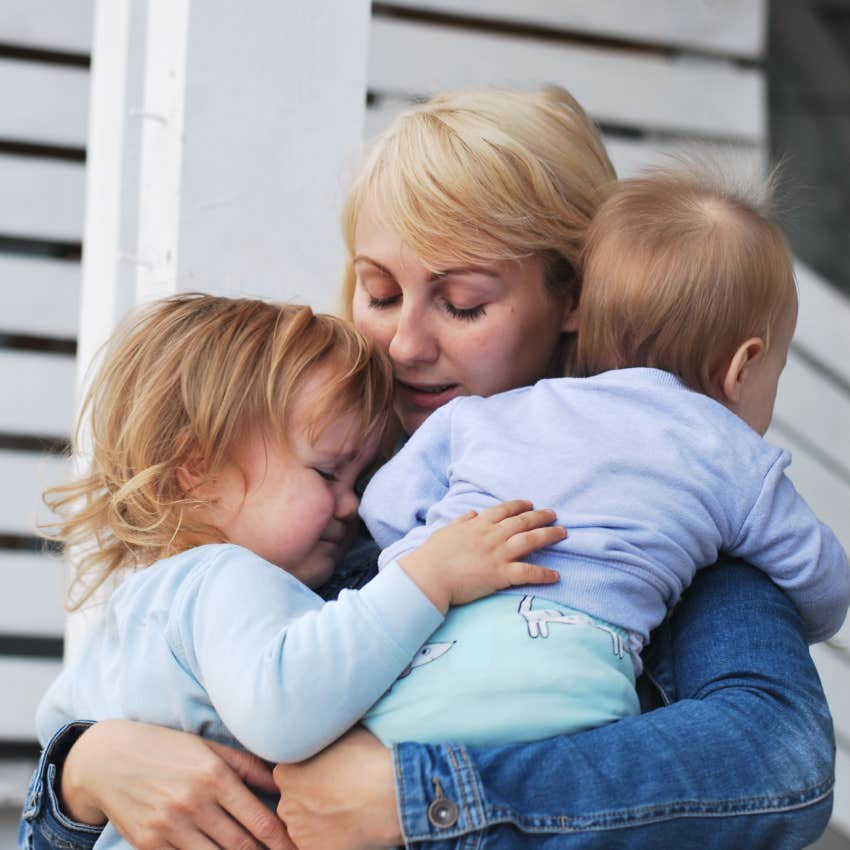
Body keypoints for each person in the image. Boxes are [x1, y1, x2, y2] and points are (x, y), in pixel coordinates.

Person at [19, 87, 836, 850]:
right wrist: (87, 770)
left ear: (576, 299)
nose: (406, 345)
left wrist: (428, 798)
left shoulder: (656, 507)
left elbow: (779, 760)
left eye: (464, 303)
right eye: (379, 293)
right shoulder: (310, 495)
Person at [31, 293, 565, 850]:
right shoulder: (228, 576)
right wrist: (430, 577)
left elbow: (58, 732)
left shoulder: (137, 608)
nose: (351, 505)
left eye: (359, 480)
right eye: (328, 472)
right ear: (197, 469)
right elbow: (286, 709)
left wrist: (85, 761)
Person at [358, 168, 849, 748]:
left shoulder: (489, 414)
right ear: (744, 366)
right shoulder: (734, 457)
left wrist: (442, 553)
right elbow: (823, 583)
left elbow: (384, 506)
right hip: (573, 699)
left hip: (410, 671)